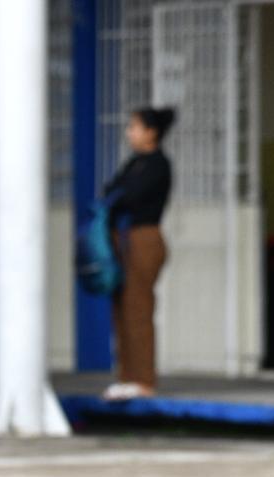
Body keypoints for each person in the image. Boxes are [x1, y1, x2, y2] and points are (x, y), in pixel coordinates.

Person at [102, 106, 176, 402]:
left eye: (134, 127)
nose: (129, 132)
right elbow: (110, 192)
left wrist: (118, 196)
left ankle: (144, 380)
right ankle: (126, 377)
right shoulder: (134, 162)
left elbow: (129, 197)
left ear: (151, 132)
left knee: (138, 308)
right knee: (120, 308)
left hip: (144, 239)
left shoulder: (158, 164)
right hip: (122, 240)